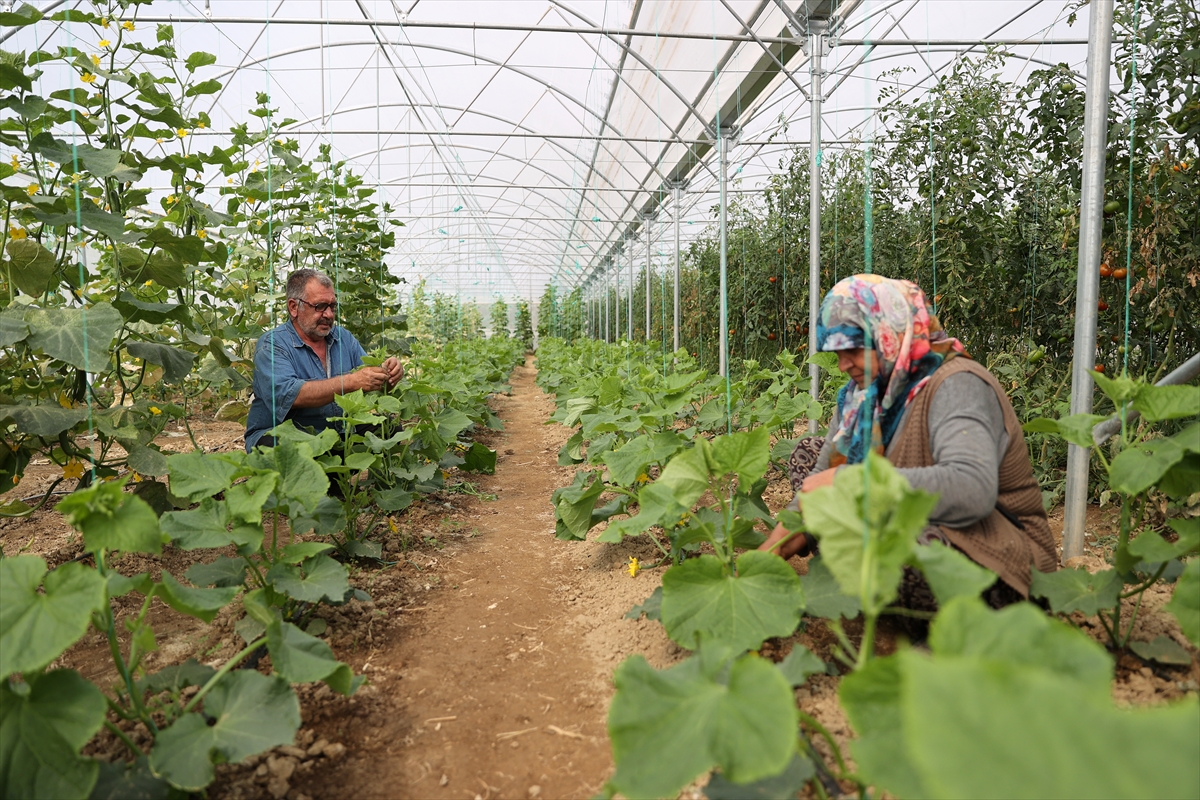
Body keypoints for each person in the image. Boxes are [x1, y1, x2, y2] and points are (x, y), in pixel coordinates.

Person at [759, 274, 1057, 607]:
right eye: (836, 352)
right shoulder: (865, 394)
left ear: (888, 332)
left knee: (898, 539)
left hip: (999, 554)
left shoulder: (957, 385)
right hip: (922, 523)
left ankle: (962, 634)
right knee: (810, 458)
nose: (843, 365)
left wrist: (851, 483)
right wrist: (771, 551)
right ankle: (872, 590)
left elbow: (972, 489)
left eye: (853, 348)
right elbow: (818, 478)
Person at [244, 268, 403, 452]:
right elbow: (290, 395)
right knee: (291, 450)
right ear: (294, 307)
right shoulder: (272, 345)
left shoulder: (344, 338)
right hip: (284, 434)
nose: (329, 314)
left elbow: (369, 384)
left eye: (332, 306)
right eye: (320, 306)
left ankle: (341, 474)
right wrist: (351, 381)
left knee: (389, 430)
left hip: (337, 432)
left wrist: (388, 374)